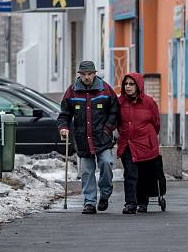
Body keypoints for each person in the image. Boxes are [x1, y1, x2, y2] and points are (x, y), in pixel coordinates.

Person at [57, 61, 120, 215]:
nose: (86, 77)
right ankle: (89, 202)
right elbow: (64, 115)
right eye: (83, 74)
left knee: (106, 163)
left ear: (94, 74)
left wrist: (107, 129)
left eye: (89, 74)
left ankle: (105, 193)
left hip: (102, 138)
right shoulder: (72, 91)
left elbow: (115, 112)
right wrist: (63, 127)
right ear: (79, 74)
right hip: (83, 139)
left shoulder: (105, 90)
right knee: (86, 171)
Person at [116, 72, 161, 215]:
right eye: (126, 84)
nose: (128, 87)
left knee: (144, 175)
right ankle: (130, 204)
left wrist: (148, 137)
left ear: (138, 86)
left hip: (145, 144)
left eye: (131, 84)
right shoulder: (120, 102)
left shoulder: (149, 102)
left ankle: (142, 202)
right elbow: (116, 122)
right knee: (130, 174)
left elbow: (156, 124)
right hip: (128, 143)